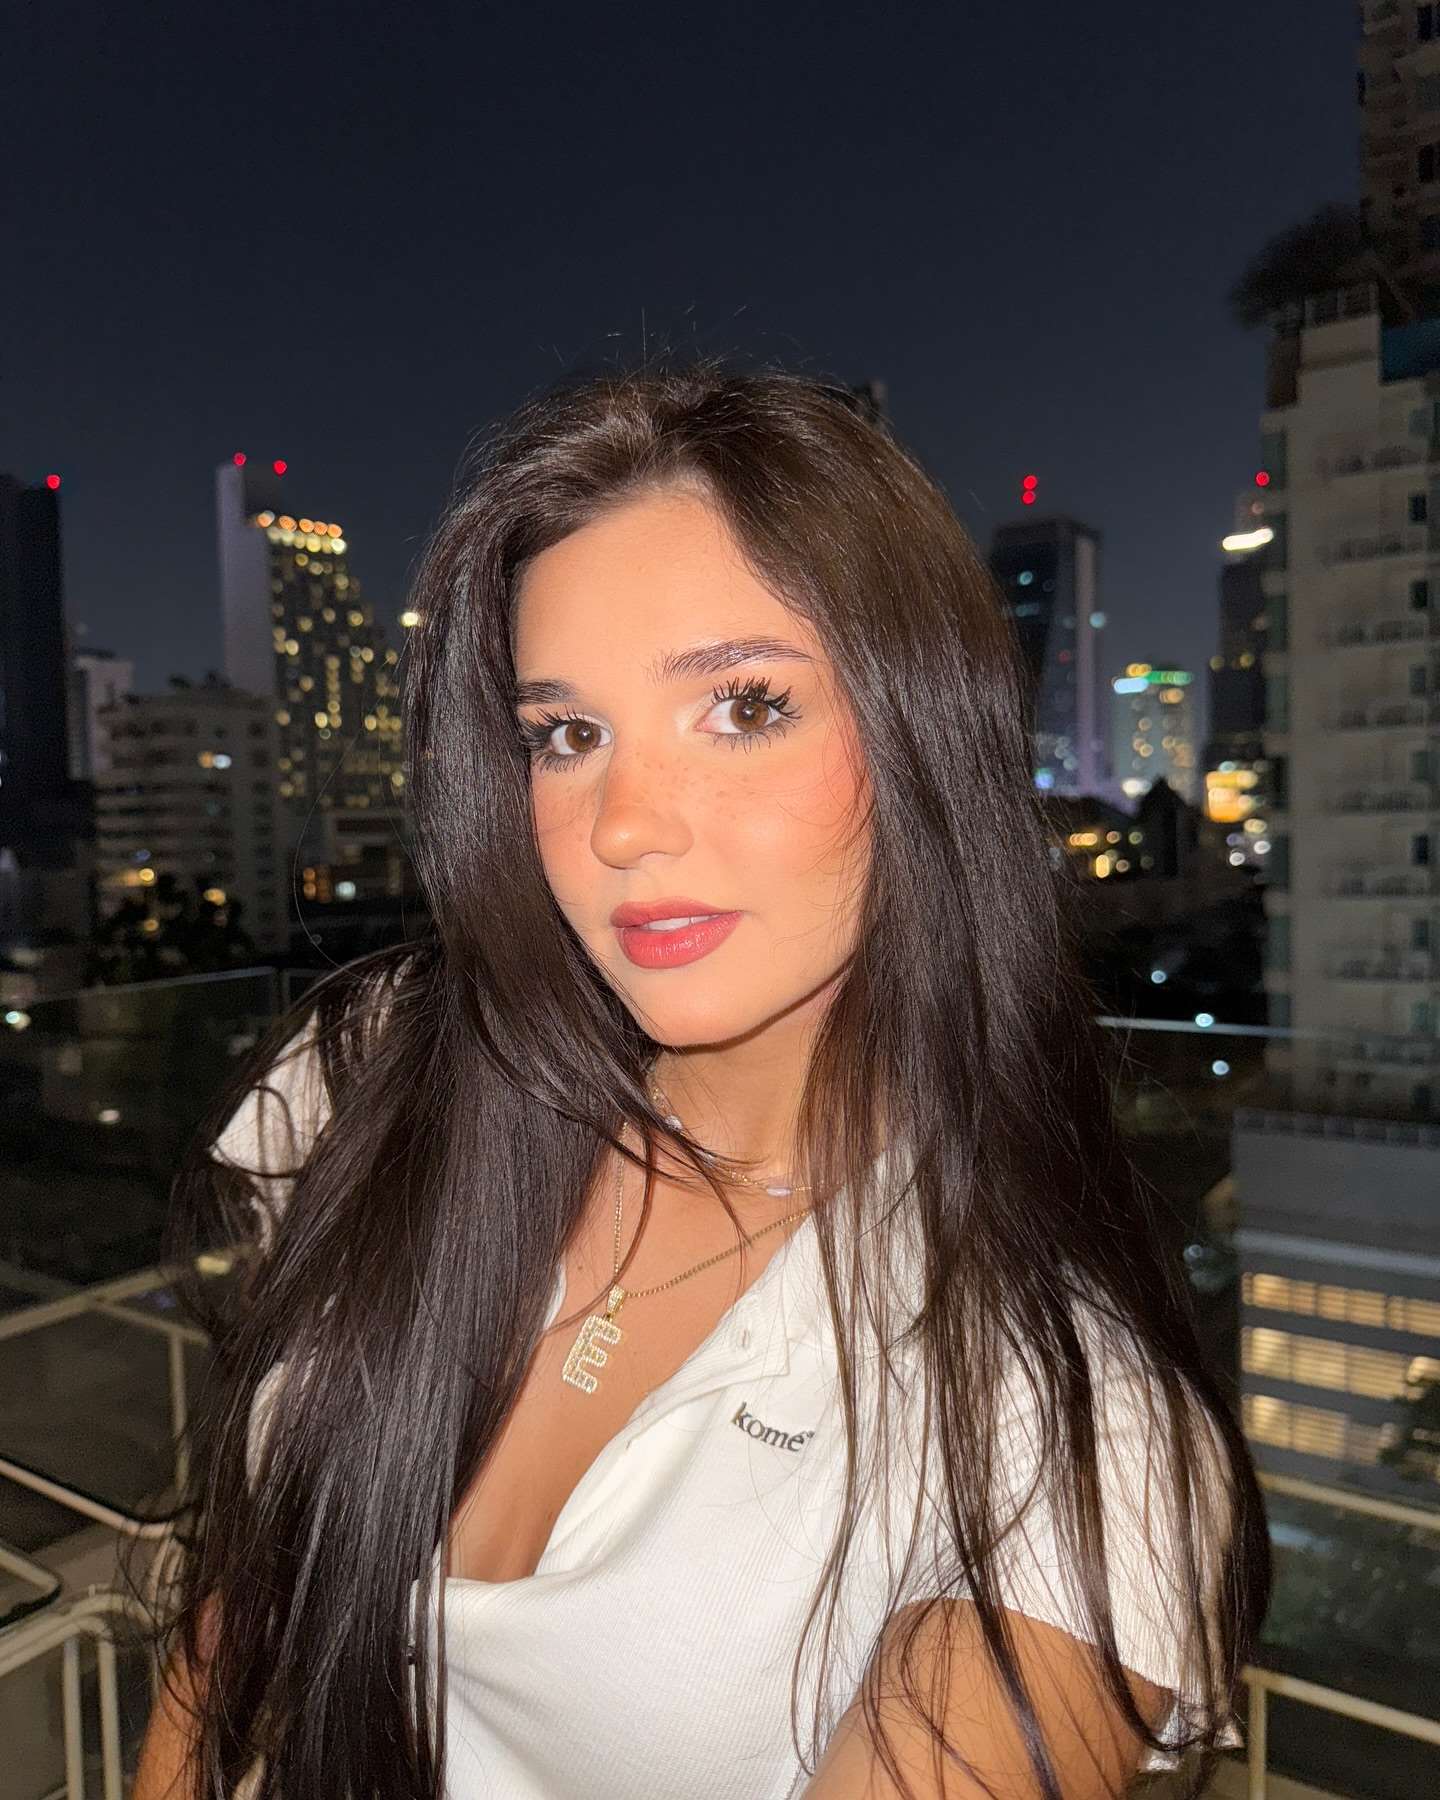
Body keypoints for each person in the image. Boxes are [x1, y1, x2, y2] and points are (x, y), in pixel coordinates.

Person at [131, 361, 1270, 1800]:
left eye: (742, 705)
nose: (624, 826)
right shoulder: (375, 1077)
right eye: (567, 734)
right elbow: (233, 1626)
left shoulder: (1065, 1440)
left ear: (924, 732)